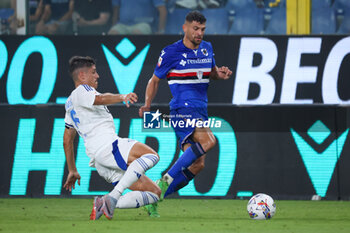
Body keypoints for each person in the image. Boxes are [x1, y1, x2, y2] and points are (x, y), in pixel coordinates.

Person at [139, 10, 232, 216]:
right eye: (195, 29)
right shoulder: (171, 52)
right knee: (209, 141)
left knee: (198, 165)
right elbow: (154, 80)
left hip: (201, 108)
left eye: (202, 29)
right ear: (185, 28)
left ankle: (153, 196)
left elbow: (211, 73)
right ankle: (164, 181)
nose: (199, 33)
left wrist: (219, 74)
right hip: (182, 107)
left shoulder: (207, 48)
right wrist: (147, 105)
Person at [63, 56, 161, 220]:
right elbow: (99, 99)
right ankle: (114, 196)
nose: (97, 76)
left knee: (154, 193)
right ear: (82, 76)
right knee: (152, 156)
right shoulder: (82, 91)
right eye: (93, 72)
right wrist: (122, 97)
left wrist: (72, 169)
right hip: (108, 147)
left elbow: (67, 140)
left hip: (100, 161)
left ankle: (103, 203)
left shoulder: (69, 104)